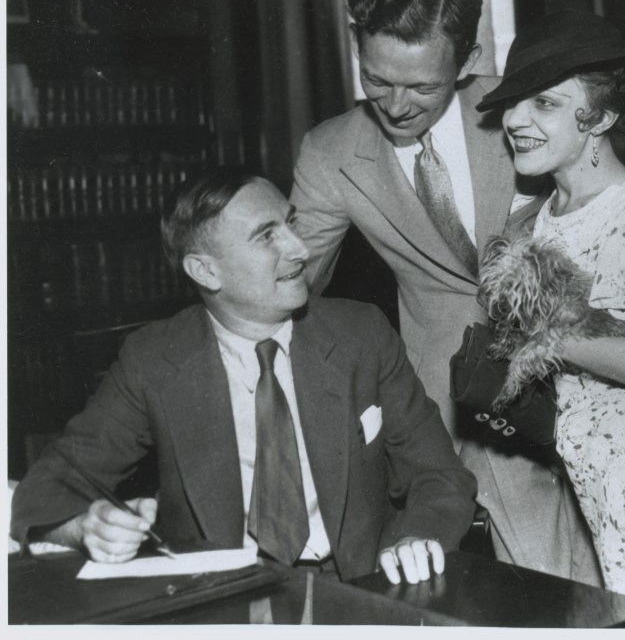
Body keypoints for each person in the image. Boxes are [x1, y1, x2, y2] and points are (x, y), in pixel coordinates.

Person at [289, 0, 602, 584]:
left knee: (571, 584)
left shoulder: (525, 112)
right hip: (438, 398)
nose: (397, 106)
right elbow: (290, 286)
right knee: (436, 586)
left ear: (467, 62)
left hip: (576, 373)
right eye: (377, 80)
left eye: (423, 87)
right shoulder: (329, 153)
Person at [11, 167, 477, 586]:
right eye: (266, 236)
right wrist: (83, 527)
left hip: (359, 585)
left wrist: (416, 538)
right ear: (205, 271)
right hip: (226, 600)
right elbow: (46, 488)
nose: (300, 249)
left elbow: (440, 476)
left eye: (291, 223)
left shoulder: (361, 335)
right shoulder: (154, 360)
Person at [475, 10, 625, 609]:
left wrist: (551, 341)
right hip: (587, 485)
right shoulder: (541, 216)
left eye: (545, 104)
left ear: (602, 117)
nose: (514, 120)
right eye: (512, 103)